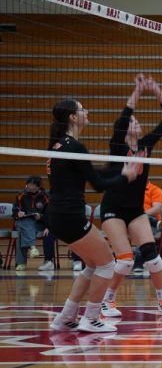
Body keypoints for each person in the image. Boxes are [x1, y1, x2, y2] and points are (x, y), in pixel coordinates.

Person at [46, 99, 137, 333]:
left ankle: (66, 317)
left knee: (92, 264)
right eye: (82, 109)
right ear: (73, 118)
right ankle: (91, 317)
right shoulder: (75, 147)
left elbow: (92, 174)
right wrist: (125, 176)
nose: (87, 112)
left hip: (57, 215)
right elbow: (97, 184)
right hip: (70, 216)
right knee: (107, 263)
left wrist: (120, 170)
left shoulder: (58, 144)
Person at [99, 74, 162, 320]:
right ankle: (106, 301)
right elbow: (122, 120)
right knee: (125, 262)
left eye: (136, 120)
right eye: (130, 121)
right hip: (112, 208)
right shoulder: (117, 148)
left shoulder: (146, 145)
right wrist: (137, 92)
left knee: (154, 260)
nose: (134, 122)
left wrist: (155, 90)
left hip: (135, 210)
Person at [12, 175, 55, 271]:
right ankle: (32, 247)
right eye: (28, 184)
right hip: (24, 221)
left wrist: (42, 218)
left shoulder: (45, 196)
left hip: (40, 224)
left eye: (32, 185)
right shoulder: (21, 195)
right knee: (23, 225)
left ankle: (21, 262)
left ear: (38, 186)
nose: (29, 187)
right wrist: (18, 213)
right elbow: (15, 209)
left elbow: (50, 213)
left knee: (22, 232)